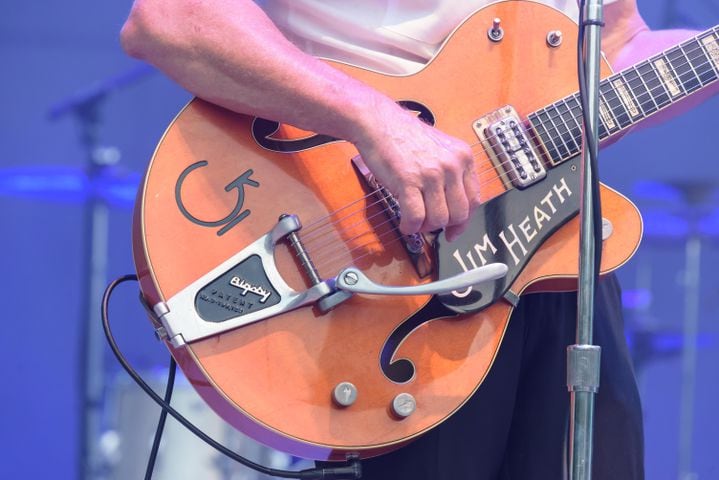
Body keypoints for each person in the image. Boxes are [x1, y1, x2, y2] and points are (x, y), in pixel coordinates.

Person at [120, 1, 717, 478]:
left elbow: (616, 49)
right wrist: (376, 121)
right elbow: (171, 18)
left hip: (557, 249)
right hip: (367, 256)